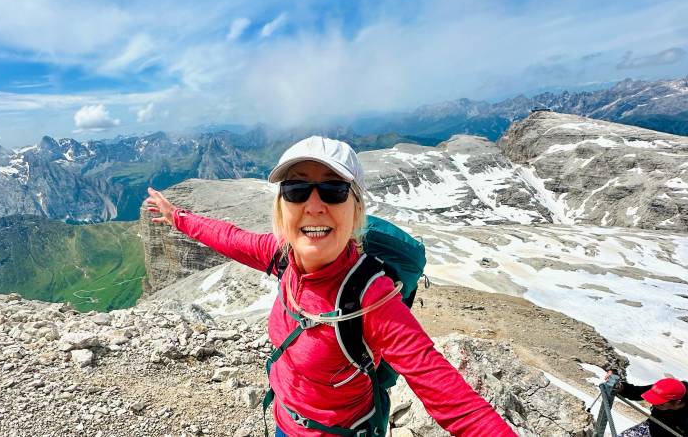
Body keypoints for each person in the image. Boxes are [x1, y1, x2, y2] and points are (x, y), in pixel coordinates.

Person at [145, 136, 516, 436]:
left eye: (334, 190)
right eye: (296, 190)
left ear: (356, 210)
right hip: (285, 424)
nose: (314, 205)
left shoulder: (372, 299)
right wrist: (176, 216)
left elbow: (451, 396)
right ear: (281, 209)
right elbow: (227, 236)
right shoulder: (280, 256)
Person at [615, 377, 688, 437]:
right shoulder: (666, 389)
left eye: (660, 403)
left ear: (678, 402)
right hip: (649, 428)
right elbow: (637, 392)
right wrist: (622, 388)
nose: (654, 405)